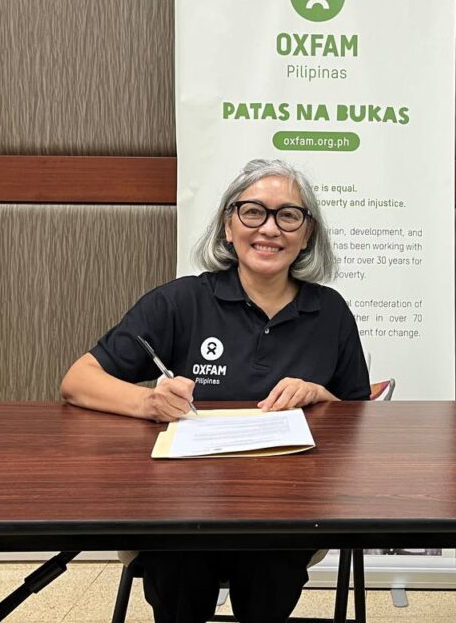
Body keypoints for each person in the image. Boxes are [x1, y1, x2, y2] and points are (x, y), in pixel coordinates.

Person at [61, 158, 370, 623]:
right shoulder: (180, 300)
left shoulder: (331, 313)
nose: (270, 228)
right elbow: (77, 380)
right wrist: (148, 402)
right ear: (228, 225)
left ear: (307, 234)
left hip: (285, 508)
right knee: (177, 562)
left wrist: (319, 395)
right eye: (253, 212)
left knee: (271, 568)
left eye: (289, 216)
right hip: (183, 506)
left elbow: (362, 417)